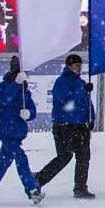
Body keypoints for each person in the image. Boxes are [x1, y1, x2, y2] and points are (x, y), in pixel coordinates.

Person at [0, 56, 44, 205]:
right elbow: (6, 98)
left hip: (17, 133)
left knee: (2, 162)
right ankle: (32, 189)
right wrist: (16, 83)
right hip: (6, 131)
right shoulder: (3, 86)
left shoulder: (25, 92)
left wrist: (29, 114)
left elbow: (32, 109)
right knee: (21, 158)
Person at [35, 53, 96, 199]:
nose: (79, 68)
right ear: (69, 66)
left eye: (80, 66)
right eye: (76, 66)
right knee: (64, 156)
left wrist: (91, 117)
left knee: (84, 157)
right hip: (64, 125)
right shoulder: (61, 82)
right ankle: (38, 179)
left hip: (80, 125)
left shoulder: (81, 83)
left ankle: (80, 187)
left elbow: (87, 103)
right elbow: (67, 102)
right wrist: (83, 91)